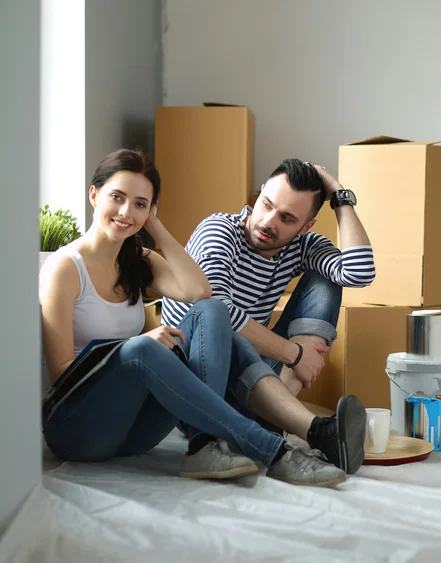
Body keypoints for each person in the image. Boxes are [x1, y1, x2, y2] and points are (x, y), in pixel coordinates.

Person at [40, 149, 351, 489]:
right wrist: (132, 345)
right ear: (94, 194)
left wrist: (154, 226)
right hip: (76, 429)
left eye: (141, 204)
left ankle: (205, 443)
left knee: (213, 309)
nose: (127, 212)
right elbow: (62, 372)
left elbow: (200, 291)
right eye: (117, 197)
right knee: (141, 351)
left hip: (131, 436)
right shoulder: (64, 267)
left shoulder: (138, 262)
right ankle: (273, 450)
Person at [161, 159, 374, 446]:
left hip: (253, 377)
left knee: (327, 281)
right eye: (267, 204)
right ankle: (291, 421)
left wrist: (339, 196)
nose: (267, 222)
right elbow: (216, 310)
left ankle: (272, 419)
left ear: (305, 226)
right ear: (259, 194)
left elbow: (358, 273)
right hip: (197, 386)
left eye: (287, 218)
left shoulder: (301, 247)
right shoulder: (220, 231)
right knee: (222, 320)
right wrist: (295, 354)